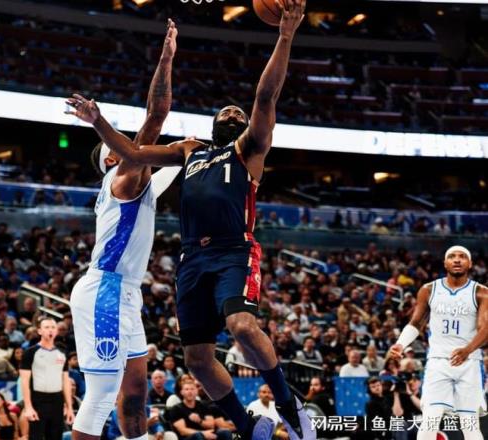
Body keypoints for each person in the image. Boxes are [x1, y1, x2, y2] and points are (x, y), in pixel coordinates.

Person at [68, 2, 313, 439]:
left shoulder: (229, 152)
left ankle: (280, 410)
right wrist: (101, 119)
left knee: (138, 389)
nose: (232, 113)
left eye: (236, 114)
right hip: (124, 282)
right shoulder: (136, 171)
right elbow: (145, 132)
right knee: (115, 387)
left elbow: (263, 99)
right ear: (110, 160)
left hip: (200, 262)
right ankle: (249, 422)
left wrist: (284, 36)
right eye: (226, 112)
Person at [66, 22, 181, 440]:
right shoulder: (125, 178)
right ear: (114, 160)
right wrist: (166, 59)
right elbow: (156, 115)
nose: (134, 146)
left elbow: (170, 168)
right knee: (101, 396)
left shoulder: (138, 183)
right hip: (106, 291)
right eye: (124, 147)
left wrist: (190, 150)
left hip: (126, 293)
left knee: (135, 393)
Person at [388, 245, 488, 440]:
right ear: (445, 263)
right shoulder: (429, 290)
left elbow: (486, 328)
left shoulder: (481, 292)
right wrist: (401, 343)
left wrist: (467, 350)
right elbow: (416, 323)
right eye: (452, 256)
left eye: (462, 257)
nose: (457, 259)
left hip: (470, 363)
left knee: (469, 423)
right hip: (438, 361)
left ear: (470, 264)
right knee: (430, 420)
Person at [20, 317, 74, 440]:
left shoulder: (62, 353)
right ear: (39, 331)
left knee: (56, 436)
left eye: (53, 327)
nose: (50, 330)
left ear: (56, 331)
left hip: (57, 400)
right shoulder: (30, 352)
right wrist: (28, 407)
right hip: (37, 400)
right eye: (47, 327)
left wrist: (69, 407)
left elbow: (65, 380)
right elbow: (24, 381)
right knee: (36, 437)